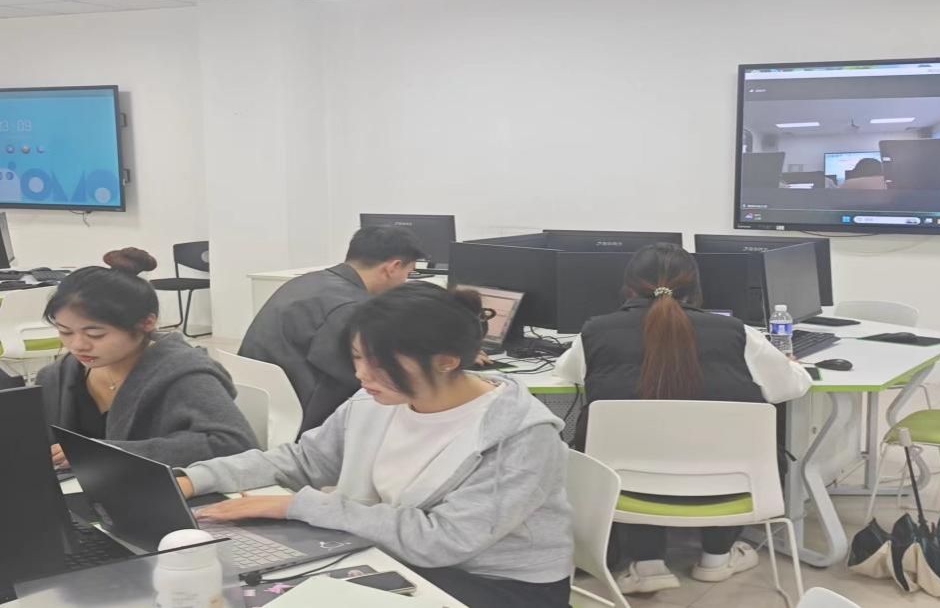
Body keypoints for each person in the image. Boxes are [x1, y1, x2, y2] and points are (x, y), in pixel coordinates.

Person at [178, 282, 573, 608]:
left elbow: (443, 541)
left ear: (447, 361)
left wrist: (298, 505)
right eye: (357, 357)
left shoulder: (521, 435)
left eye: (381, 364)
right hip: (393, 553)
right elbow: (306, 459)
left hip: (498, 585)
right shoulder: (377, 399)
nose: (361, 374)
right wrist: (196, 479)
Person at [556, 243, 811, 595]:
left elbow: (567, 372)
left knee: (639, 446)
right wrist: (790, 366)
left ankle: (647, 565)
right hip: (729, 484)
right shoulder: (737, 333)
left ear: (629, 288)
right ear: (696, 288)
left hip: (625, 489)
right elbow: (791, 387)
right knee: (724, 442)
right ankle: (717, 559)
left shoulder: (596, 332)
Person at [40, 248, 257, 469]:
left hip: (169, 486)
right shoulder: (59, 375)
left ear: (146, 323)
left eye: (95, 334)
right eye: (65, 332)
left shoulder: (185, 374)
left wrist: (106, 453)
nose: (77, 345)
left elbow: (235, 444)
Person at [239, 226, 426, 434]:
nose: (405, 281)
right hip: (304, 415)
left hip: (261, 401)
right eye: (408, 273)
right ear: (393, 267)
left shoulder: (306, 281)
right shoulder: (351, 308)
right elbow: (365, 378)